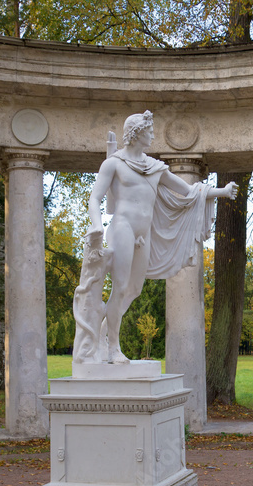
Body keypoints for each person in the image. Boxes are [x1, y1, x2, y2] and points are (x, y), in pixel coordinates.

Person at [72, 111, 238, 365]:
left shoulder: (155, 168)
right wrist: (96, 225)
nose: (152, 136)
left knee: (134, 290)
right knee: (120, 287)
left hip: (143, 233)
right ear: (136, 133)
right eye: (149, 131)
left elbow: (188, 191)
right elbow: (95, 198)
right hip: (123, 228)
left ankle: (103, 334)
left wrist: (222, 192)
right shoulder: (114, 164)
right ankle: (113, 348)